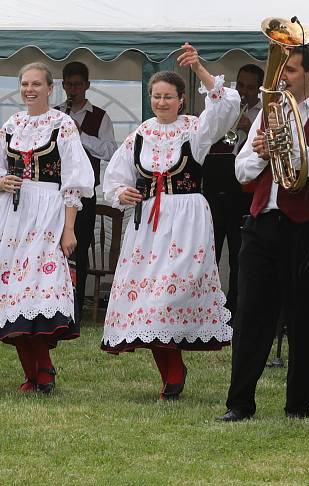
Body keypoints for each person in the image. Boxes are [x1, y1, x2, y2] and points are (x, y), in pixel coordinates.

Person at [218, 42, 309, 422]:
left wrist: (288, 144)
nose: (282, 78)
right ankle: (239, 403)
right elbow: (242, 171)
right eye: (281, 70)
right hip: (263, 223)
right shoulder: (266, 114)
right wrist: (260, 151)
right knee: (249, 316)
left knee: (303, 319)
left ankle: (298, 405)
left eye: (289, 70)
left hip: (307, 228)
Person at [100, 43, 236, 401]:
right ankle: (172, 374)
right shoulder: (140, 135)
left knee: (169, 296)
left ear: (181, 100)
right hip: (148, 223)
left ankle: (175, 369)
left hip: (187, 218)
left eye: (168, 97)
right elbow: (113, 178)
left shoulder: (195, 130)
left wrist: (201, 69)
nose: (161, 102)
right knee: (148, 301)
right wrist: (123, 194)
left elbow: (226, 107)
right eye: (156, 96)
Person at [0, 62, 94, 394]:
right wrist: (1, 180)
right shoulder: (13, 124)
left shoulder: (63, 124)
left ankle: (43, 369)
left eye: (36, 84)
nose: (30, 90)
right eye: (25, 84)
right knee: (8, 291)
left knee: (34, 287)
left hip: (47, 211)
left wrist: (68, 229)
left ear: (49, 88)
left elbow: (75, 181)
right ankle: (32, 373)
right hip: (10, 215)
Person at [55, 61, 118, 325]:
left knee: (78, 250)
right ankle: (53, 305)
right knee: (51, 249)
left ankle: (75, 309)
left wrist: (80, 135)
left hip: (84, 194)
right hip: (55, 193)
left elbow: (111, 152)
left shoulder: (100, 117)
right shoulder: (54, 113)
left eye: (78, 85)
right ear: (62, 85)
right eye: (69, 85)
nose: (73, 89)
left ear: (87, 86)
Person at [205, 64, 264, 320]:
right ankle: (208, 302)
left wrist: (249, 125)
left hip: (244, 192)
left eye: (250, 87)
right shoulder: (225, 108)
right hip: (216, 187)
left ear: (260, 89)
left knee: (240, 252)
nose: (244, 92)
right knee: (211, 250)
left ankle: (236, 303)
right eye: (241, 85)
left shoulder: (264, 113)